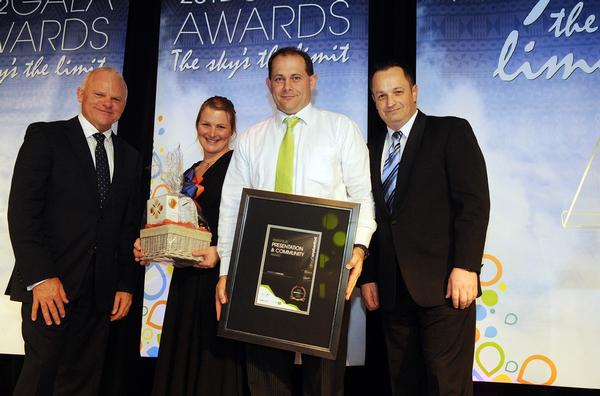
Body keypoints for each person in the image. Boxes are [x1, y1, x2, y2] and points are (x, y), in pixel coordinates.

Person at [215, 47, 377, 396]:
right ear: (268, 84)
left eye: (296, 77)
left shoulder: (341, 129)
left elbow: (362, 196)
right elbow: (231, 208)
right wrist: (227, 269)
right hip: (259, 272)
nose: (287, 86)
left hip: (326, 270)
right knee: (264, 374)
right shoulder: (250, 139)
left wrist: (360, 247)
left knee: (323, 380)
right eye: (279, 78)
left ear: (312, 81)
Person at [6, 67, 141, 395]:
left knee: (82, 381)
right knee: (41, 375)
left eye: (116, 98)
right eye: (99, 94)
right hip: (50, 288)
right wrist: (41, 277)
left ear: (123, 105)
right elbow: (23, 214)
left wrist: (124, 283)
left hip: (100, 293)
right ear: (80, 94)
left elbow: (127, 227)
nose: (107, 103)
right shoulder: (45, 137)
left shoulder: (130, 157)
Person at [360, 62, 490, 395]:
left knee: (446, 385)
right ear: (375, 102)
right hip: (391, 290)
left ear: (415, 92)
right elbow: (369, 216)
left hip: (445, 285)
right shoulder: (369, 149)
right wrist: (369, 275)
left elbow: (473, 205)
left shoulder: (450, 132)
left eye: (398, 92)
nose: (390, 102)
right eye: (381, 96)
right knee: (404, 385)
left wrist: (466, 266)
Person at [134, 96, 246, 395]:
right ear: (197, 126)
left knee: (212, 361)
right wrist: (149, 243)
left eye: (221, 126)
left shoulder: (238, 166)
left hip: (217, 278)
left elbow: (245, 221)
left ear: (232, 131)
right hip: (185, 276)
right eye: (206, 124)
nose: (213, 132)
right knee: (182, 354)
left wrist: (221, 252)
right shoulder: (189, 171)